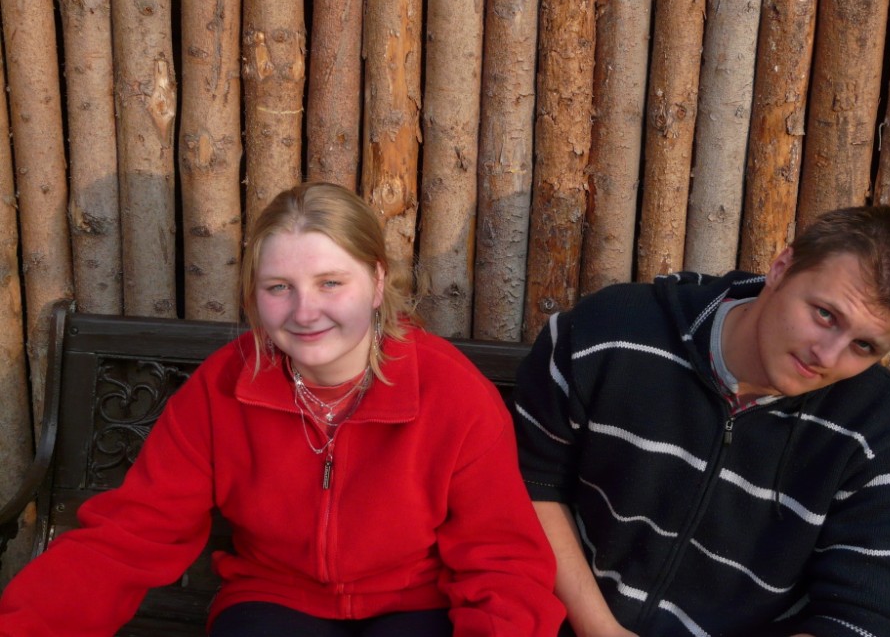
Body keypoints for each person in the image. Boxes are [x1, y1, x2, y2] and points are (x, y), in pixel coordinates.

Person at [0, 181, 564, 637]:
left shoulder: (451, 393)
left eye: (330, 282)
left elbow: (503, 563)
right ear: (254, 296)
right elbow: (131, 535)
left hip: (417, 601)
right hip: (274, 598)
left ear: (376, 283)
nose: (305, 312)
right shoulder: (223, 388)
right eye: (278, 287)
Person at [513, 205, 890, 637]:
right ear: (781, 268)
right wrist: (600, 629)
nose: (827, 357)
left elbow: (875, 617)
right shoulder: (610, 331)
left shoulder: (880, 428)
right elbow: (532, 482)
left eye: (864, 346)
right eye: (825, 315)